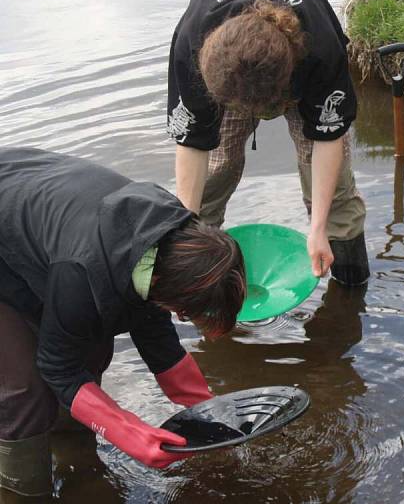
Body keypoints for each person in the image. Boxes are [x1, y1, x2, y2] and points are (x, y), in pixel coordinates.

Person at [0, 147, 246, 497]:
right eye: (185, 313)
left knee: (91, 350)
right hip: (19, 232)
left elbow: (156, 333)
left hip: (45, 225)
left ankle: (74, 451)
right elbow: (57, 367)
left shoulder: (174, 242)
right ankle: (21, 488)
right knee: (27, 386)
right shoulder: (83, 271)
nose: (179, 318)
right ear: (168, 287)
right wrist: (127, 431)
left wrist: (213, 418)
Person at [167, 0, 368, 286]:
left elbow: (328, 137)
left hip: (296, 61)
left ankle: (350, 285)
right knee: (217, 167)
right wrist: (184, 232)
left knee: (332, 191)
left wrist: (318, 229)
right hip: (225, 67)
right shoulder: (191, 47)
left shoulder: (321, 49)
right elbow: (193, 141)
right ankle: (198, 269)